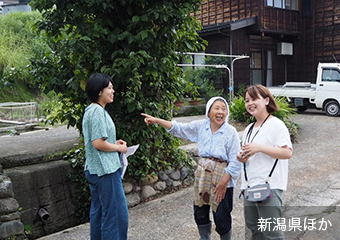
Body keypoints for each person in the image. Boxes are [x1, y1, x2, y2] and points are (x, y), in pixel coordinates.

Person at [141, 97, 241, 240]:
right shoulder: (202, 126)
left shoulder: (231, 132)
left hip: (222, 178)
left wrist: (223, 184)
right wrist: (157, 120)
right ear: (208, 111)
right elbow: (178, 128)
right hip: (203, 176)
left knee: (222, 216)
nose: (220, 112)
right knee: (199, 211)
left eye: (224, 109)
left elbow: (236, 161)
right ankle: (204, 238)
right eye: (217, 108)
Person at [237, 85, 293, 240]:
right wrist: (244, 157)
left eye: (254, 99)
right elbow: (251, 155)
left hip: (270, 186)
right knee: (255, 230)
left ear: (267, 100)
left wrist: (260, 148)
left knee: (272, 233)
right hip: (249, 186)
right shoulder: (249, 128)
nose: (250, 103)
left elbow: (287, 152)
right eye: (247, 100)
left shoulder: (276, 125)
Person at [82, 73, 129, 240]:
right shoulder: (97, 111)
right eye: (109, 88)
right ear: (99, 91)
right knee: (115, 216)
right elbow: (97, 143)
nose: (113, 91)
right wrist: (119, 148)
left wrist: (114, 142)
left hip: (96, 170)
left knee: (99, 213)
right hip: (105, 170)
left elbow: (98, 140)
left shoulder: (91, 110)